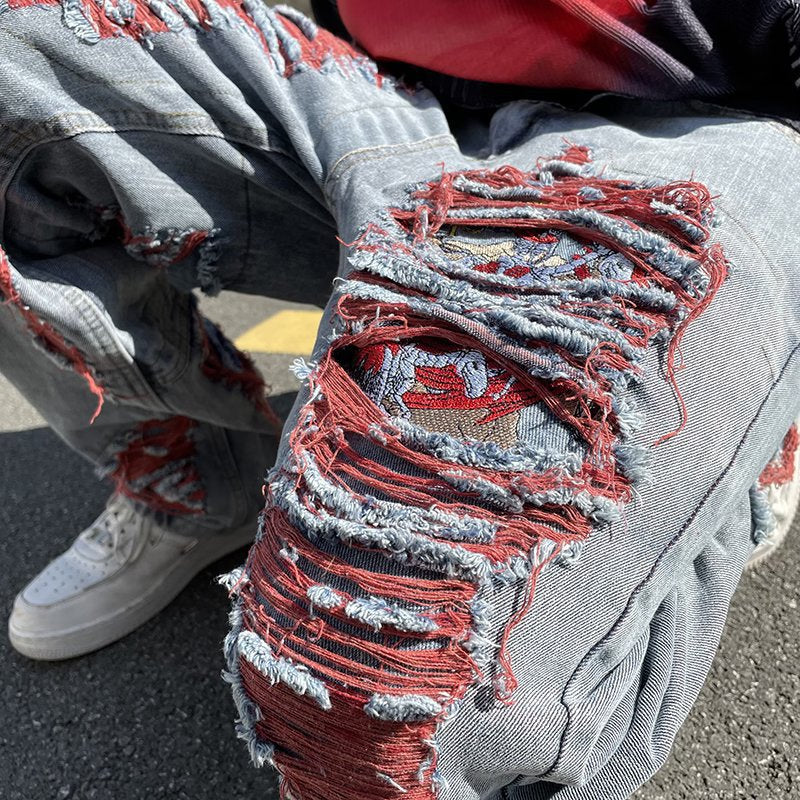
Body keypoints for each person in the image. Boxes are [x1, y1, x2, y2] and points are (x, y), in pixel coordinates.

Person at [2, 1, 799, 798]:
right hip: (399, 94)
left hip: (698, 113)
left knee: (381, 650)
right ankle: (199, 477)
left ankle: (741, 440)